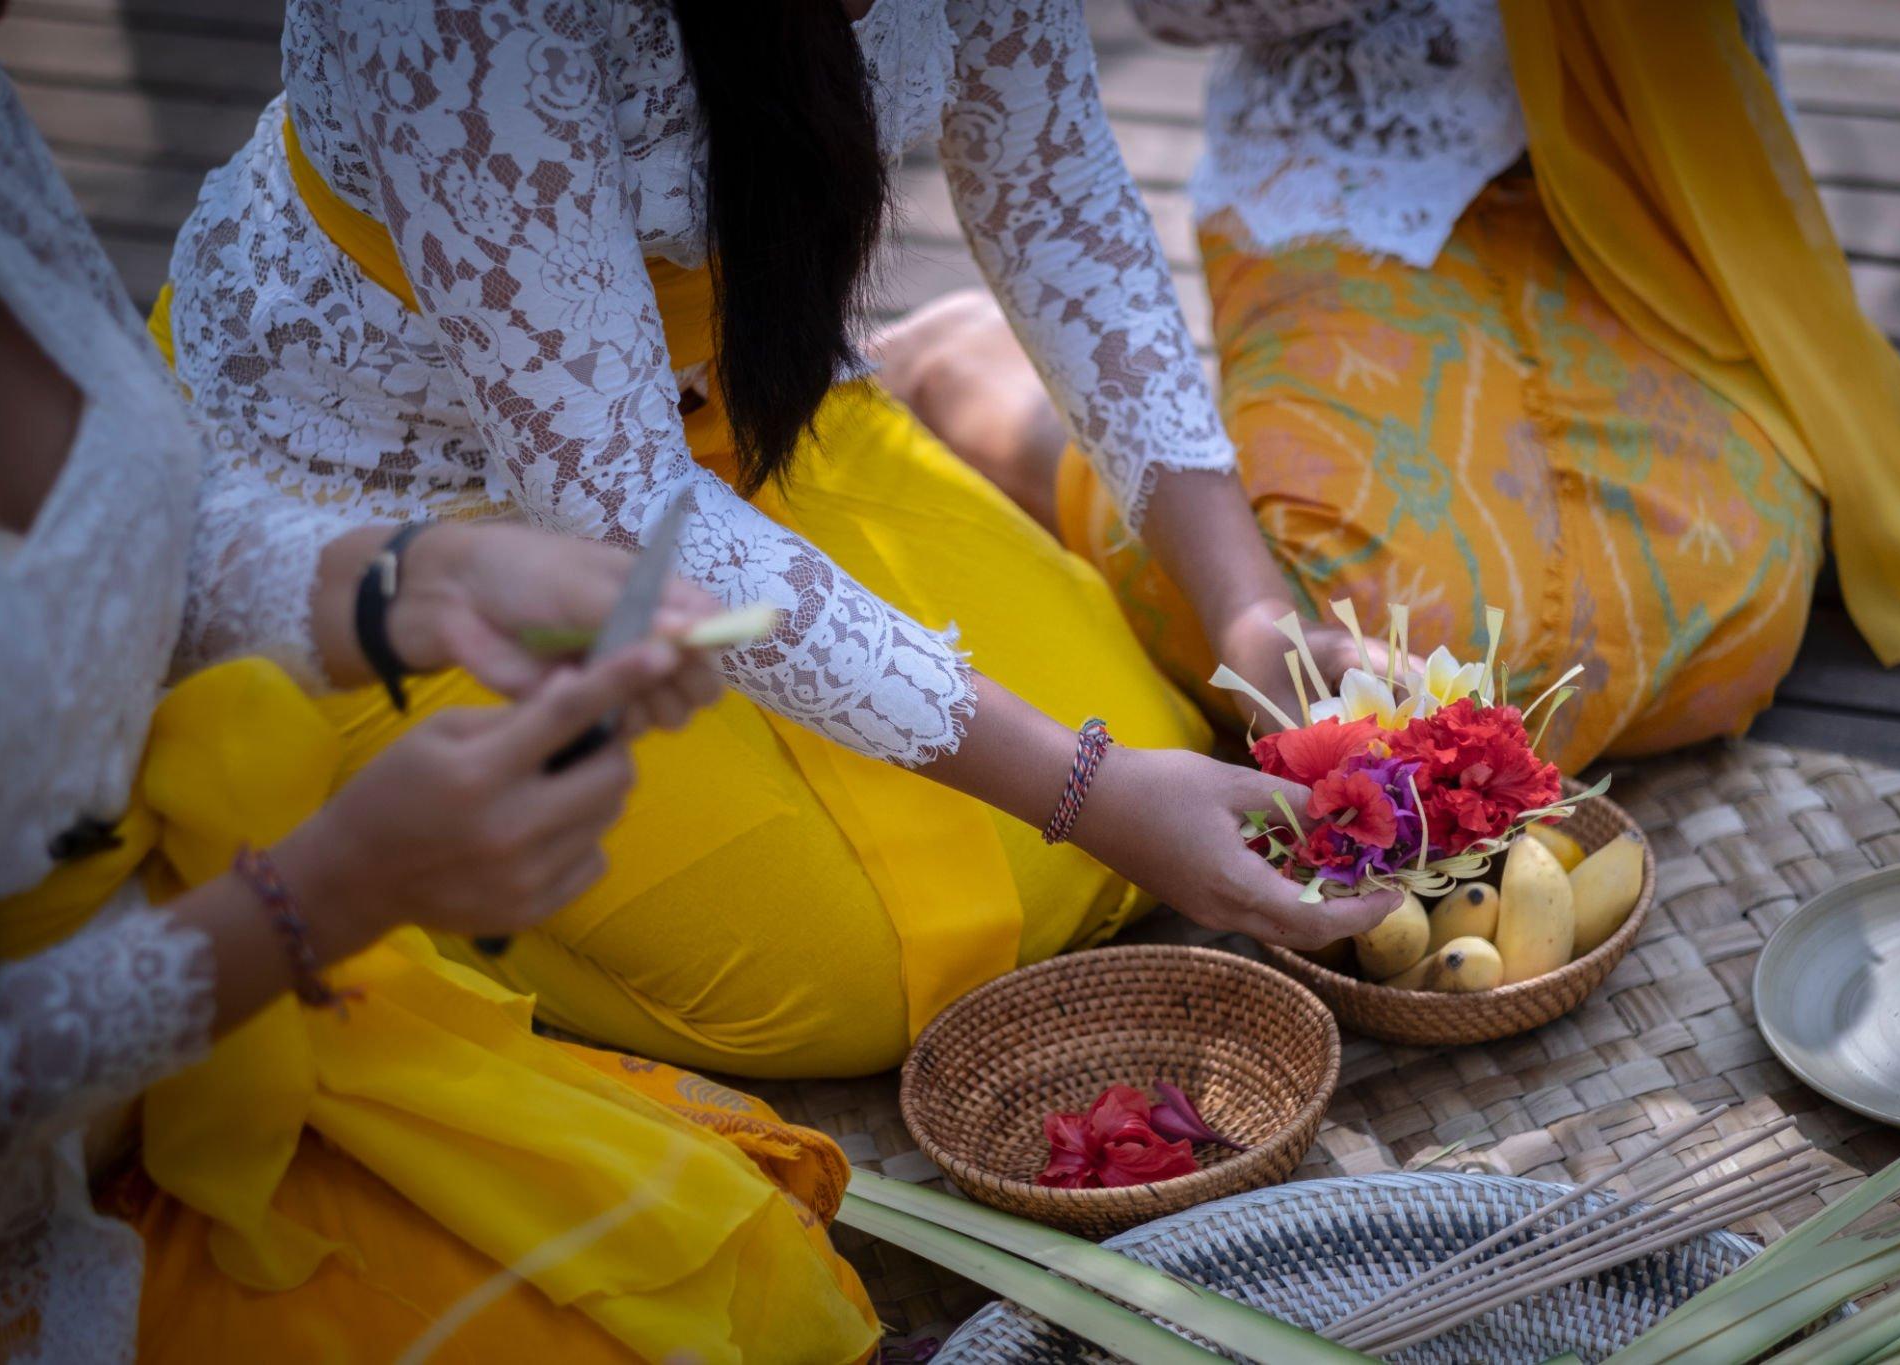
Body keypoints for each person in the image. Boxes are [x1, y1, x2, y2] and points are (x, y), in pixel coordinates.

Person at [158, 0, 1401, 1079]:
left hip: (746, 412)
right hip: (409, 501)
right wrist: (1089, 791)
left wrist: (1252, 618)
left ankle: (937, 383)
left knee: (1148, 763)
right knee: (843, 978)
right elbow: (613, 501)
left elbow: (1051, 189)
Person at [0, 19, 880, 1363]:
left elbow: (131, 519)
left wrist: (412, 582)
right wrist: (323, 895)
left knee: (757, 1273)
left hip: (218, 1034)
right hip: (15, 1209)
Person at [883, 0, 1900, 773]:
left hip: (1651, 179)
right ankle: (989, 386)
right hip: (1359, 175)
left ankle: (1240, 443)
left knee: (1724, 639)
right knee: (1380, 656)